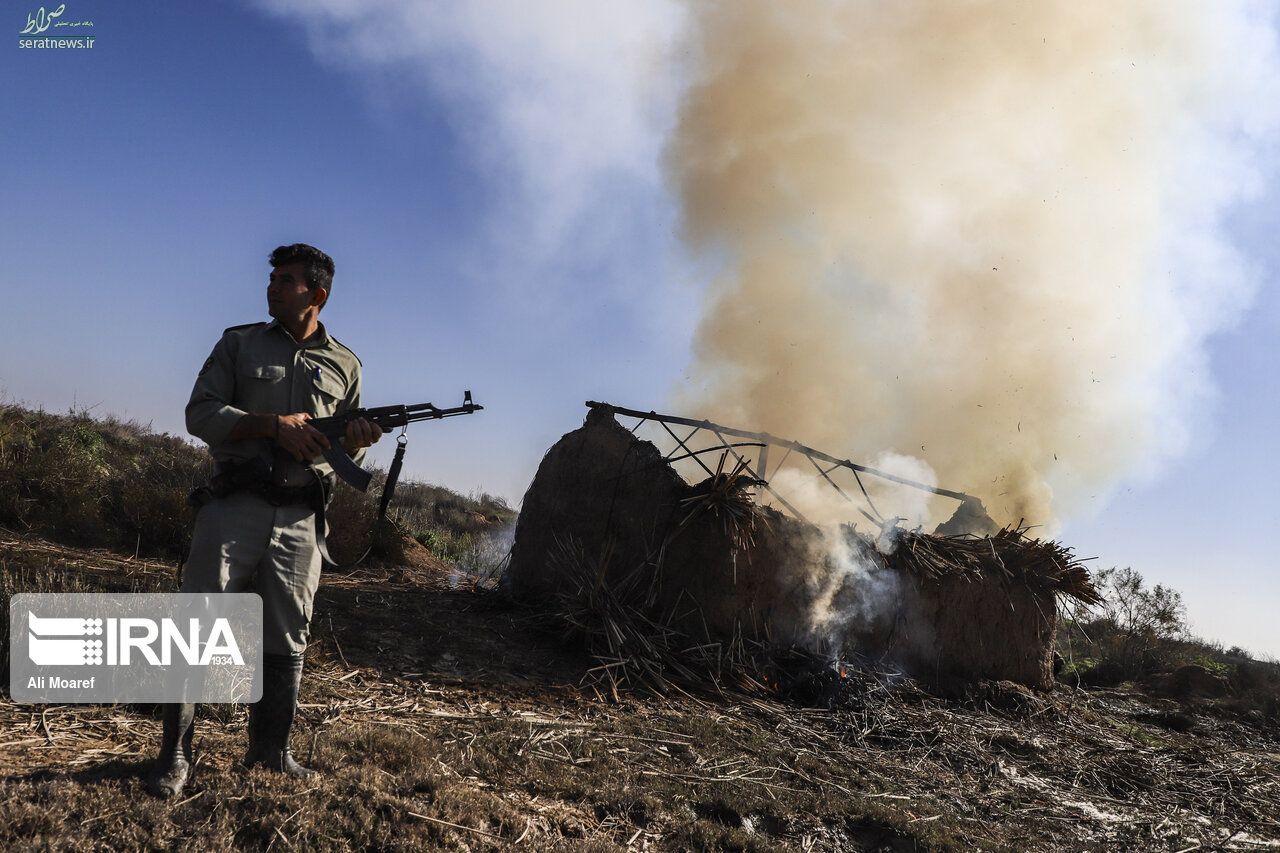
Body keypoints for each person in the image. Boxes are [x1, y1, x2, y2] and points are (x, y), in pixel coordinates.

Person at [148, 243, 382, 798]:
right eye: (272, 277)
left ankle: (272, 752)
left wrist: (358, 441)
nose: (272, 287)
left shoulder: (346, 365)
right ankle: (175, 756)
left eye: (285, 280)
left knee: (288, 632)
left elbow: (342, 450)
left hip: (302, 518)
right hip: (235, 504)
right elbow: (200, 413)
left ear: (316, 294)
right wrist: (271, 425)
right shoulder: (239, 343)